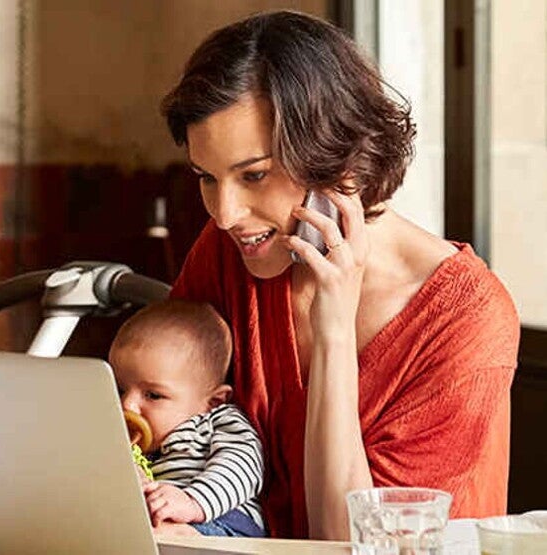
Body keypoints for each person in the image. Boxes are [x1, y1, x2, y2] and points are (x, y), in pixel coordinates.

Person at [159, 10, 520, 541]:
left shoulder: (465, 318)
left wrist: (333, 333)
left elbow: (349, 544)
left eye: (255, 175)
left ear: (338, 159)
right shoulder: (225, 253)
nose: (225, 213)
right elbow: (165, 443)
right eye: (207, 178)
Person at [108, 299, 265, 537]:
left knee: (163, 534)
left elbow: (243, 465)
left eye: (153, 395)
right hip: (154, 523)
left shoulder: (216, 421)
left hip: (221, 522)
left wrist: (193, 501)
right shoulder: (123, 440)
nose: (127, 405)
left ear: (212, 402)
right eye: (119, 389)